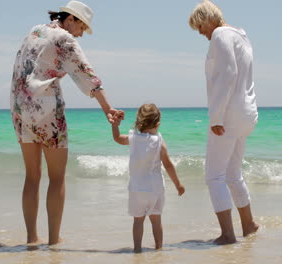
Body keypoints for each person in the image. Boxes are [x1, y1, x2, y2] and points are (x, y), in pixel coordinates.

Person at [10, 1, 123, 245]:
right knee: (57, 178)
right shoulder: (65, 38)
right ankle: (53, 240)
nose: (82, 33)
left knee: (31, 176)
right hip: (47, 109)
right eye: (82, 27)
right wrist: (108, 109)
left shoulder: (35, 30)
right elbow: (87, 75)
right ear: (70, 19)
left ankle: (31, 239)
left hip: (20, 108)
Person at [188, 0, 259, 244]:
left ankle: (227, 234)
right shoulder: (242, 36)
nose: (201, 33)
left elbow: (228, 74)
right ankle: (248, 224)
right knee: (232, 174)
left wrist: (216, 116)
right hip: (247, 113)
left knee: (214, 176)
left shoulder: (220, 34)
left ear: (208, 19)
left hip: (229, 114)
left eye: (200, 27)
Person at [111, 104, 185, 253]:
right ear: (158, 123)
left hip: (136, 189)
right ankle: (159, 249)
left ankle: (137, 249)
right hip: (155, 189)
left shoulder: (133, 138)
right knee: (156, 220)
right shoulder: (159, 142)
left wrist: (115, 125)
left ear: (139, 121)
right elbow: (169, 165)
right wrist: (178, 184)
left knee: (138, 220)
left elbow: (117, 138)